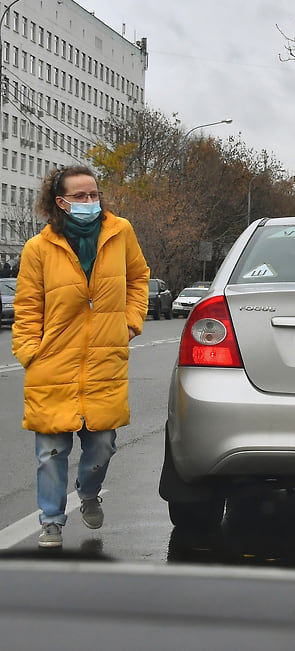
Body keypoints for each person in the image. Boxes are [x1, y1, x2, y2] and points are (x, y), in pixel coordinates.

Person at [12, 165, 149, 549]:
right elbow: (26, 308)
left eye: (94, 195)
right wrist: (29, 353)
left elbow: (139, 278)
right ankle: (51, 521)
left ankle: (88, 492)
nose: (91, 202)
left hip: (105, 361)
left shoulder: (119, 232)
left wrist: (130, 321)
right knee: (51, 452)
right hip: (52, 364)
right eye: (81, 196)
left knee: (102, 445)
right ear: (61, 202)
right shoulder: (39, 248)